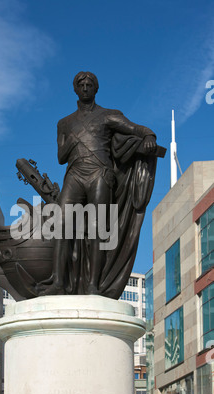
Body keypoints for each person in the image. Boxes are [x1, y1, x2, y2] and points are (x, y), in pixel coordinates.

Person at [38, 71, 158, 297]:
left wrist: (150, 135)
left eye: (89, 84)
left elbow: (135, 128)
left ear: (96, 89)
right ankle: (58, 282)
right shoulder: (64, 123)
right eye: (81, 84)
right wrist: (72, 140)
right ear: (75, 89)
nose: (85, 88)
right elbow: (61, 157)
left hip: (100, 174)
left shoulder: (108, 115)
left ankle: (93, 284)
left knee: (97, 230)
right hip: (74, 174)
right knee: (62, 224)